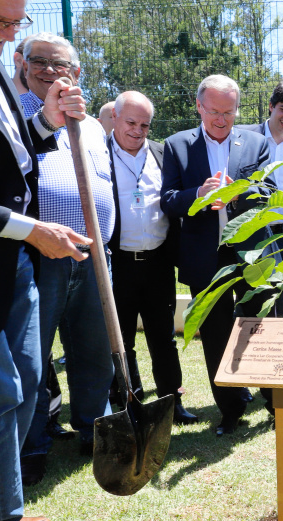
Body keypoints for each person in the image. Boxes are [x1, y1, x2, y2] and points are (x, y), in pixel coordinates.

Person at [0, 0, 85, 521]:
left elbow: (14, 161)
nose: (5, 37)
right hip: (5, 254)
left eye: (13, 24)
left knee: (27, 383)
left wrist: (48, 118)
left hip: (13, 265)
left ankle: (6, 506)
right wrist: (30, 229)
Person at [18, 32, 115, 485]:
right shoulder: (15, 117)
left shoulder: (94, 127)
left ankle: (94, 432)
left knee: (94, 352)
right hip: (39, 257)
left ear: (78, 73)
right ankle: (31, 445)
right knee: (33, 360)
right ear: (22, 64)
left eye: (62, 65)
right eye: (40, 61)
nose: (51, 71)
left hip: (94, 258)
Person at [160, 74, 275, 437]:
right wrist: (199, 193)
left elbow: (268, 192)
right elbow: (167, 201)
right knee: (215, 333)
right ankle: (230, 408)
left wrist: (238, 194)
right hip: (202, 256)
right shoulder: (176, 146)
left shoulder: (257, 142)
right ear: (199, 106)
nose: (222, 119)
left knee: (260, 326)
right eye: (214, 111)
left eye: (229, 111)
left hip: (252, 253)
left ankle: (274, 401)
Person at [108, 90, 198, 425]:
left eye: (145, 124)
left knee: (164, 338)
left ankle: (172, 403)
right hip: (117, 264)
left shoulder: (163, 154)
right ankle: (127, 405)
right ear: (115, 118)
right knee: (120, 342)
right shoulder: (96, 154)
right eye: (131, 122)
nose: (138, 130)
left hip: (159, 262)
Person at [238, 79, 283, 319]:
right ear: (271, 106)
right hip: (255, 232)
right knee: (252, 295)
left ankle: (275, 348)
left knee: (281, 296)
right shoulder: (245, 136)